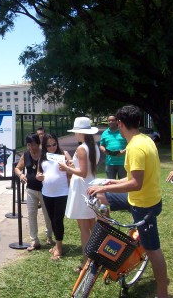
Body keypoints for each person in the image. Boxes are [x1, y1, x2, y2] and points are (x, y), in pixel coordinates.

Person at [87, 105, 168, 298]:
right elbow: (134, 177)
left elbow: (136, 183)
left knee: (153, 250)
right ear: (138, 122)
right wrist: (113, 182)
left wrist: (104, 187)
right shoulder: (145, 140)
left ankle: (163, 294)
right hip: (144, 199)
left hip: (144, 204)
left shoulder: (135, 148)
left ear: (121, 123)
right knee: (100, 196)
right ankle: (109, 234)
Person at [58, 117, 100, 272]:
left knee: (84, 228)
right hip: (90, 186)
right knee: (92, 224)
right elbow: (86, 169)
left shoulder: (82, 148)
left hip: (82, 189)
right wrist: (72, 164)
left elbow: (82, 172)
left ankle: (87, 261)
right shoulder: (93, 146)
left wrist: (66, 167)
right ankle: (97, 257)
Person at [14, 133, 54, 251]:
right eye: (28, 145)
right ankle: (34, 241)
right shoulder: (26, 155)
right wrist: (20, 175)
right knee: (31, 215)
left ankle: (49, 236)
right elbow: (17, 168)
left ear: (38, 143)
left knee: (47, 215)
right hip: (31, 189)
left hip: (45, 190)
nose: (31, 147)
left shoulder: (45, 154)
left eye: (33, 144)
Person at [36, 133, 71, 260]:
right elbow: (38, 173)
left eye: (54, 144)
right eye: (48, 145)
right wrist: (38, 177)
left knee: (57, 220)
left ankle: (59, 249)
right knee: (52, 220)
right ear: (44, 146)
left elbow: (73, 170)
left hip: (62, 193)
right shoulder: (43, 157)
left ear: (57, 142)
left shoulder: (63, 154)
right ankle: (57, 244)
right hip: (47, 193)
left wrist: (67, 168)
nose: (51, 147)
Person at [99, 115, 127, 179]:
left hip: (122, 162)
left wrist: (124, 151)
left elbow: (130, 144)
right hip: (110, 162)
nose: (111, 122)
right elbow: (101, 145)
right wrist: (104, 150)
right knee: (110, 184)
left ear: (117, 121)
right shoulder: (105, 133)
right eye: (109, 121)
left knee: (123, 185)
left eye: (113, 120)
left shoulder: (122, 131)